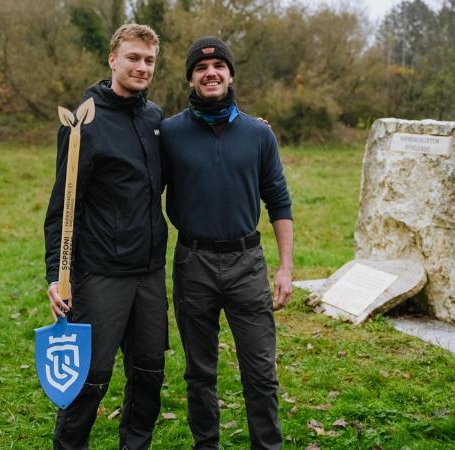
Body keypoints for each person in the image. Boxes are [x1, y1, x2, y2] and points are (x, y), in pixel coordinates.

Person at [161, 37, 294, 450]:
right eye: (201, 68)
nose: (211, 72)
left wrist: (286, 267)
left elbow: (279, 201)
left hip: (246, 264)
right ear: (191, 79)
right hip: (192, 263)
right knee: (199, 372)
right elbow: (143, 193)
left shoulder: (258, 134)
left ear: (231, 74)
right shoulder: (169, 133)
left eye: (219, 65)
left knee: (260, 371)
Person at [43, 23, 167, 450]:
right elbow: (63, 205)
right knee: (90, 380)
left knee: (149, 374)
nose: (142, 67)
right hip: (101, 275)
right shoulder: (84, 121)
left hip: (149, 273)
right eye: (133, 57)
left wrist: (245, 126)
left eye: (149, 60)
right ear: (113, 59)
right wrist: (54, 275)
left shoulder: (155, 119)